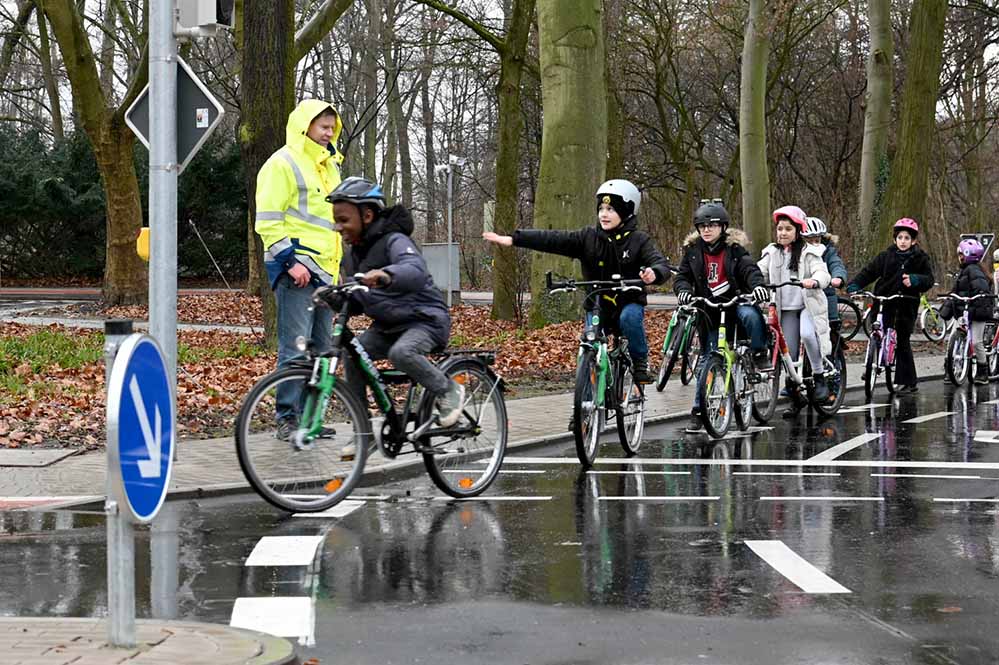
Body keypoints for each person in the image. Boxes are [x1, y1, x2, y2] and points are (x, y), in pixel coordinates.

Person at [482, 179, 671, 384]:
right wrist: (515, 239)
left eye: (611, 209)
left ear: (626, 212)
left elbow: (659, 263)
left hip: (628, 301)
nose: (604, 214)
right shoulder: (587, 237)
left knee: (630, 319)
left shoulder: (639, 240)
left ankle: (640, 363)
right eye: (601, 209)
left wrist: (654, 273)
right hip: (597, 303)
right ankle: (586, 404)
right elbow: (553, 239)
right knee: (589, 344)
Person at [326, 177, 466, 449]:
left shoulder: (395, 240)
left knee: (401, 353)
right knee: (352, 353)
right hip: (388, 327)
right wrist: (334, 297)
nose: (338, 227)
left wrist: (387, 275)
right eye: (336, 221)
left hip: (425, 320)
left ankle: (449, 389)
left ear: (367, 215)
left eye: (343, 220)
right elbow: (357, 301)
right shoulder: (354, 254)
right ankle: (363, 433)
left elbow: (414, 269)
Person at [255, 99, 344, 439]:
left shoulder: (329, 166)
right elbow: (267, 220)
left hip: (325, 272)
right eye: (323, 127)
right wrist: (290, 262)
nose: (328, 134)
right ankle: (287, 419)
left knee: (321, 349)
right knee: (296, 347)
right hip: (298, 270)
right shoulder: (282, 163)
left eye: (332, 128)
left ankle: (310, 420)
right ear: (305, 126)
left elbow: (331, 223)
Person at [673, 199, 769, 432]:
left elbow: (749, 268)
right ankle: (698, 410)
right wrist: (684, 291)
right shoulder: (693, 252)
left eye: (712, 225)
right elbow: (682, 276)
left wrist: (757, 286)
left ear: (723, 227)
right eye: (702, 226)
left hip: (735, 303)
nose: (707, 230)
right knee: (708, 358)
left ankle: (759, 353)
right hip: (711, 310)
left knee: (750, 316)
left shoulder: (734, 249)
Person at [847, 218, 934, 394]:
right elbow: (869, 272)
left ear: (913, 241)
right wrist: (855, 285)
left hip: (906, 303)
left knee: (902, 341)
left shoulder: (920, 258)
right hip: (884, 300)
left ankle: (907, 381)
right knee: (877, 330)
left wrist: (915, 280)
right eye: (900, 237)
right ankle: (873, 361)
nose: (903, 241)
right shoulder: (886, 256)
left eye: (907, 238)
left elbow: (929, 279)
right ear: (895, 239)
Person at [758, 206, 832, 411]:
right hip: (786, 309)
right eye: (780, 229)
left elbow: (822, 273)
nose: (782, 233)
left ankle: (819, 376)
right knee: (787, 351)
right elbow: (758, 271)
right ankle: (794, 390)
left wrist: (815, 281)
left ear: (798, 231)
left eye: (788, 229)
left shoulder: (810, 252)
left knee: (808, 335)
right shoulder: (772, 252)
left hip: (807, 305)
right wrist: (751, 283)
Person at [944, 238, 992, 384]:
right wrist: (947, 307)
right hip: (964, 312)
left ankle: (983, 371)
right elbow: (955, 292)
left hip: (977, 313)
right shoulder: (964, 271)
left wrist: (975, 302)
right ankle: (949, 368)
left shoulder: (975, 272)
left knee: (977, 342)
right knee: (953, 337)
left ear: (967, 255)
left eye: (961, 255)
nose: (959, 257)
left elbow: (982, 292)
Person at [803, 217, 848, 331]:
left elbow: (836, 264)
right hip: (801, 297)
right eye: (809, 241)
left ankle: (834, 341)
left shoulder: (827, 251)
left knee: (831, 327)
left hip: (825, 293)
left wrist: (838, 277)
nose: (814, 244)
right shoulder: (796, 253)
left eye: (817, 240)